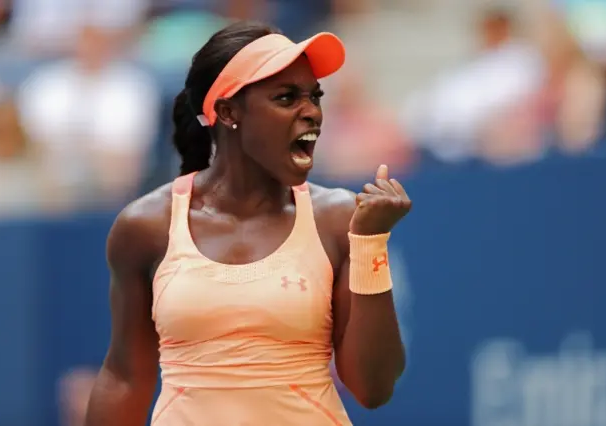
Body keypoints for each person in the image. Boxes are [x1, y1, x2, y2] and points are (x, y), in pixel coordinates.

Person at [85, 21, 410, 426]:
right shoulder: (146, 226)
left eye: (314, 96)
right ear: (227, 112)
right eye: (287, 97)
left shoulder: (340, 219)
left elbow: (373, 388)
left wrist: (370, 245)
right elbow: (124, 378)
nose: (311, 112)